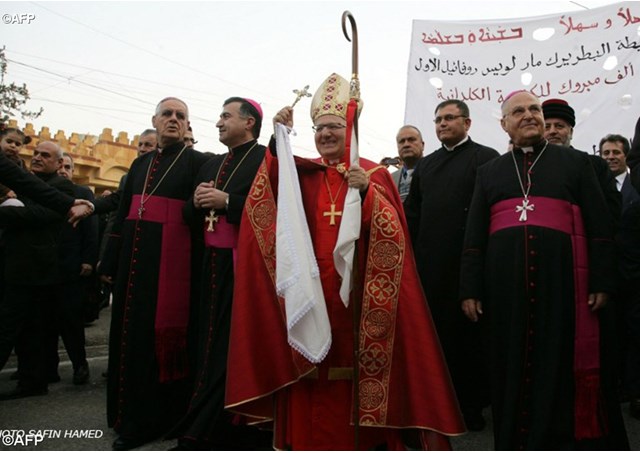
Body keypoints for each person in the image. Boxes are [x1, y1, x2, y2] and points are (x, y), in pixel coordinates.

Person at [225, 73, 465, 450]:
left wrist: (367, 192)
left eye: (334, 126)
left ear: (349, 128)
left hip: (356, 296)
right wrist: (278, 143)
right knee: (309, 369)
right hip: (308, 293)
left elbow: (395, 235)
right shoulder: (301, 174)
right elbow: (270, 195)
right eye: (319, 128)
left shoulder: (373, 173)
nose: (325, 134)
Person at [460, 90, 629, 449]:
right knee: (512, 368)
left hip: (564, 287)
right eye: (518, 111)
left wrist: (601, 279)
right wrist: (470, 288)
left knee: (559, 364)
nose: (529, 116)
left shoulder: (577, 163)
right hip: (504, 290)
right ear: (504, 124)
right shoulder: (489, 171)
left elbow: (600, 226)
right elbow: (474, 235)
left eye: (534, 109)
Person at [98, 97, 210, 450]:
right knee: (128, 338)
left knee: (157, 345)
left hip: (171, 269)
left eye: (181, 116)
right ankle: (125, 415)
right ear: (155, 120)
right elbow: (120, 211)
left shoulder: (198, 162)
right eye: (167, 114)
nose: (174, 119)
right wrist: (109, 260)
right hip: (134, 266)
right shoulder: (140, 164)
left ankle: (155, 421)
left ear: (188, 125)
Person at [170, 97, 270, 450]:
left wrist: (228, 202)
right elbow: (188, 214)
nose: (218, 123)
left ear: (249, 123)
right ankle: (199, 417)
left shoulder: (263, 159)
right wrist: (195, 203)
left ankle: (215, 426)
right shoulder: (212, 163)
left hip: (243, 267)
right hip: (208, 265)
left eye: (226, 116)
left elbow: (274, 210)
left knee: (229, 345)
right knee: (207, 343)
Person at [404, 99, 498, 431]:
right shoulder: (426, 167)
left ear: (467, 123)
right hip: (431, 268)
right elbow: (412, 218)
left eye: (449, 118)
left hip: (471, 265)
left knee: (469, 340)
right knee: (436, 340)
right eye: (438, 119)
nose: (443, 124)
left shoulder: (486, 159)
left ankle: (471, 407)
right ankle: (436, 404)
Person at [0, 141, 76, 400]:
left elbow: (42, 214)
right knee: (28, 331)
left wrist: (9, 209)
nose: (38, 158)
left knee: (11, 327)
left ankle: (35, 379)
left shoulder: (61, 186)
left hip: (35, 271)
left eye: (45, 155)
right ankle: (32, 380)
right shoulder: (25, 184)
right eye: (35, 154)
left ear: (58, 163)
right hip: (16, 266)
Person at [45, 153, 98, 384]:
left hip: (72, 267)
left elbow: (91, 231)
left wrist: (88, 260)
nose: (63, 170)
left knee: (71, 320)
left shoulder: (83, 194)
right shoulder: (44, 193)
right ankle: (49, 368)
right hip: (45, 268)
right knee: (46, 322)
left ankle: (80, 365)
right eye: (61, 166)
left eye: (68, 166)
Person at [599, 134, 640, 419]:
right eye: (605, 153)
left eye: (615, 152)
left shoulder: (637, 185)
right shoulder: (595, 186)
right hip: (607, 275)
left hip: (635, 275)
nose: (610, 156)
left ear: (626, 156)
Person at [542, 98, 620, 227]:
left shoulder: (595, 165)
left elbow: (610, 211)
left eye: (559, 126)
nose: (552, 131)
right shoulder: (530, 168)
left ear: (571, 132)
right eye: (547, 127)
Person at [391, 125, 424, 201]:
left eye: (411, 140)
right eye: (401, 141)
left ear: (422, 145)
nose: (406, 145)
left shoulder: (435, 171)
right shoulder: (390, 179)